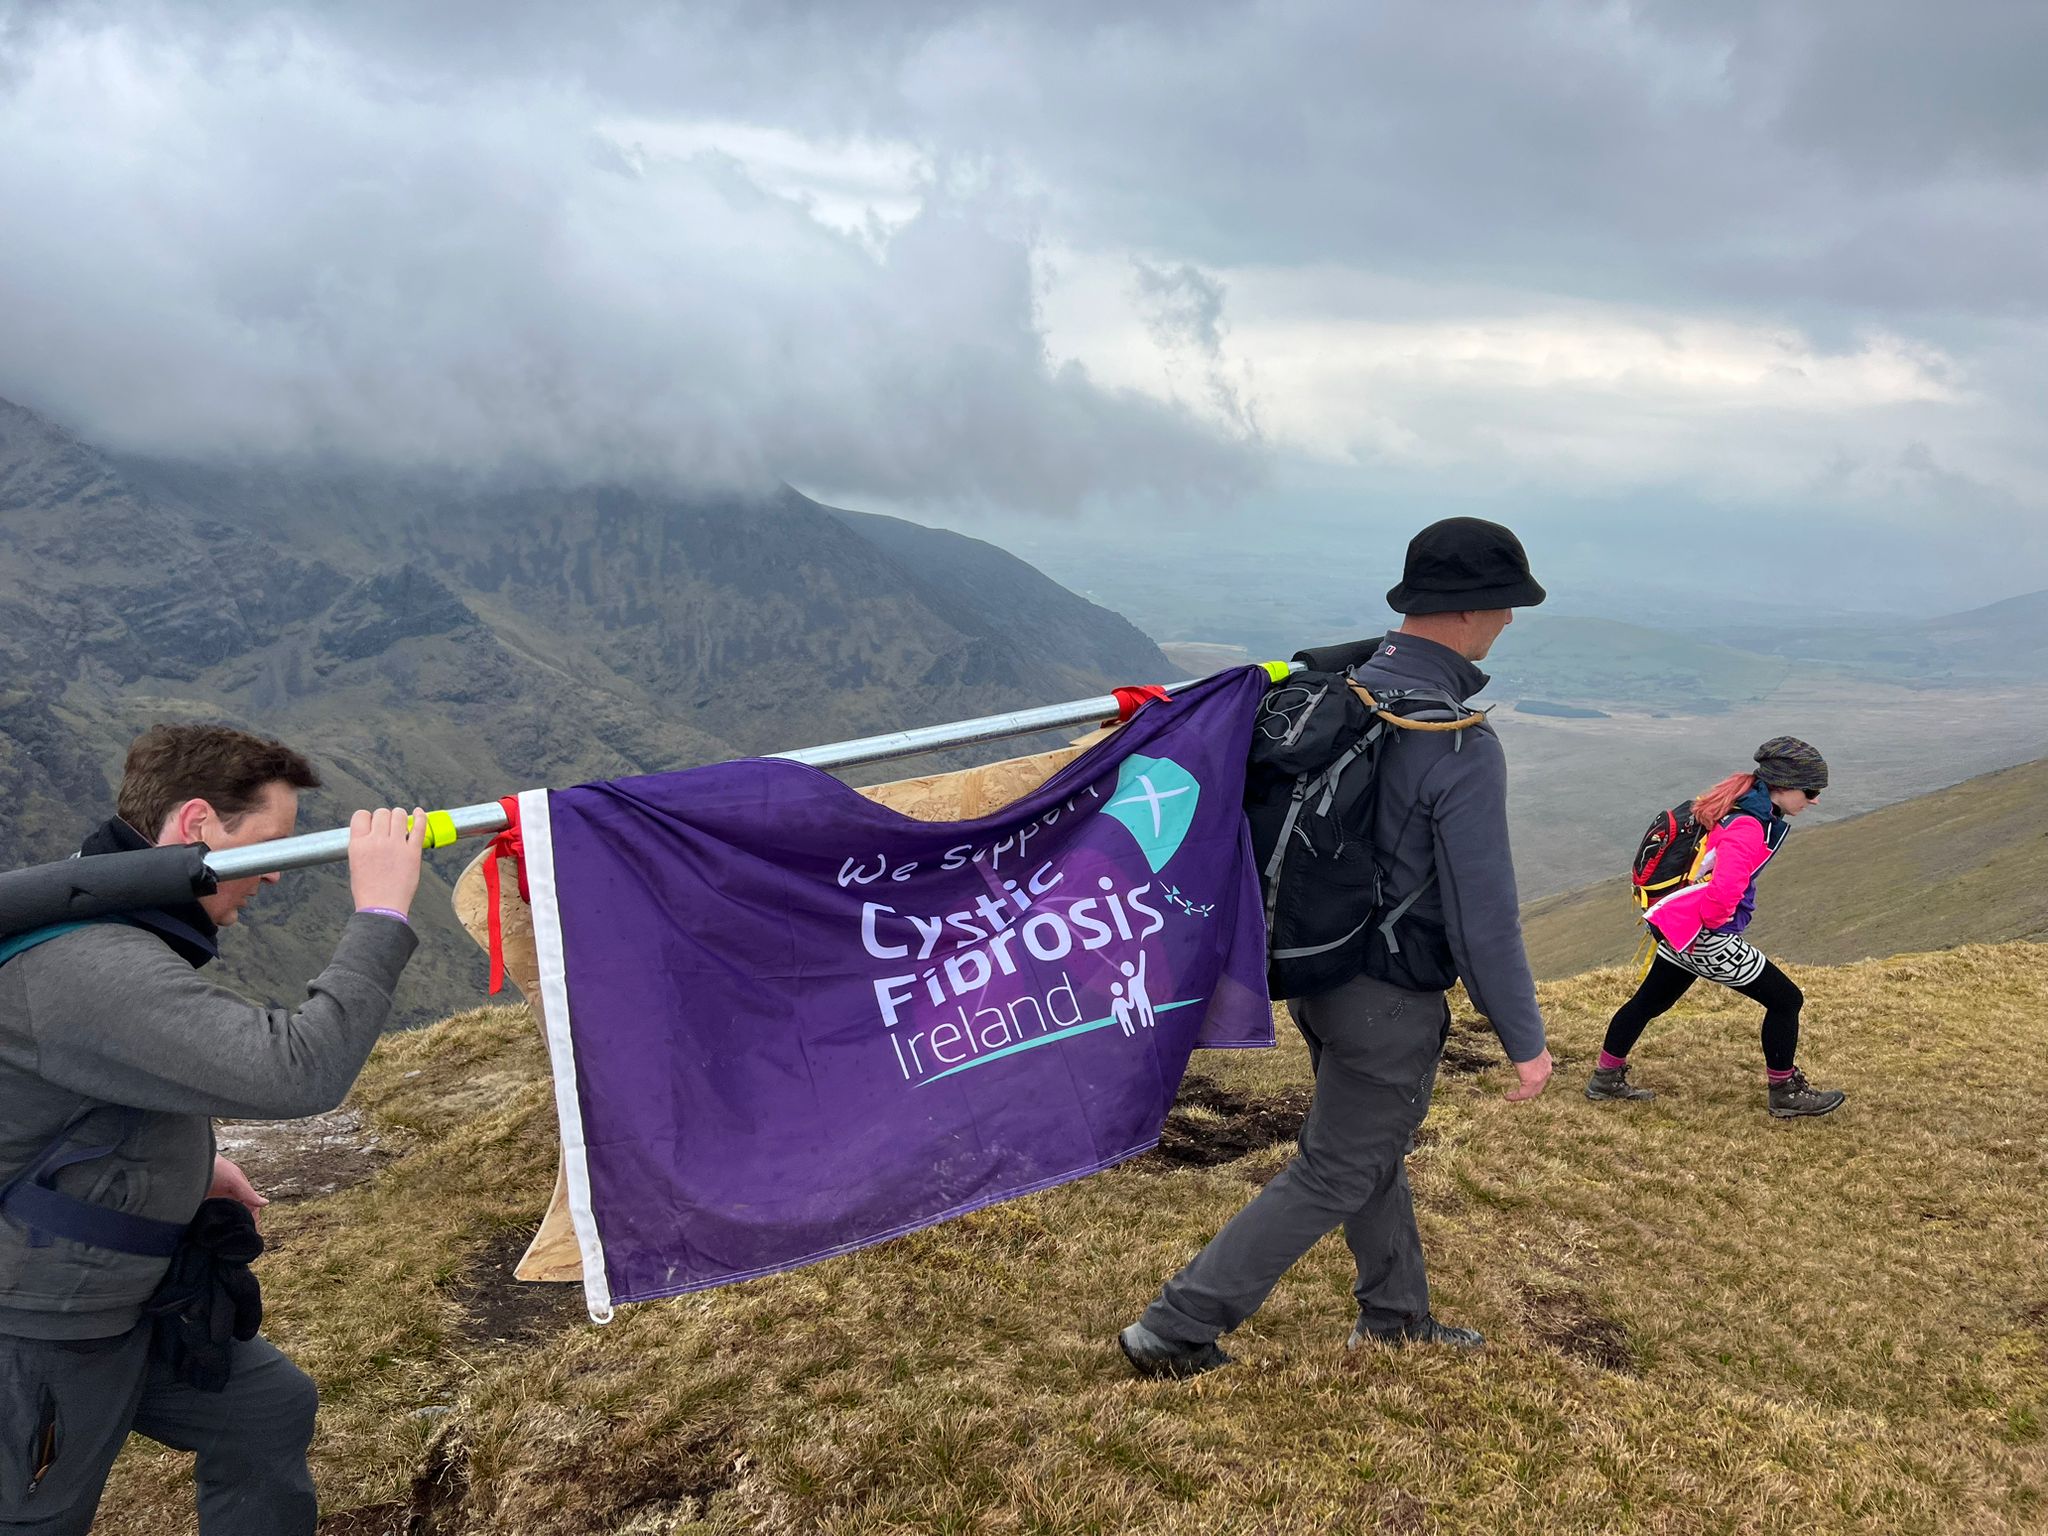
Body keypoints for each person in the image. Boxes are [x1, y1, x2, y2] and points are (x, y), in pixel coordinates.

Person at [1119, 517, 1554, 1379]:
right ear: (1471, 612)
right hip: (1388, 998)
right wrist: (1526, 1041)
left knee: (1366, 1150)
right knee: (1334, 1168)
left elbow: (1338, 659)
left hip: (1319, 970)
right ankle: (1177, 1325)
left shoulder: (1331, 690)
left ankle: (1396, 1316)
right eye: (1505, 607)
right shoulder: (1455, 742)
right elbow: (1484, 917)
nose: (1508, 622)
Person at [0, 724, 428, 1535]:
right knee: (38, 1516)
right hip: (42, 1319)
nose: (272, 870)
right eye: (266, 844)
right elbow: (297, 1070)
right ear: (197, 825)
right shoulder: (91, 966)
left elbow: (103, 1080)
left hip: (125, 1292)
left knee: (264, 1407)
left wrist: (192, 1168)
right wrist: (380, 912)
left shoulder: (111, 921)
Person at [1585, 738, 1845, 1119]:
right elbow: (1724, 891)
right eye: (1810, 790)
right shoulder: (1749, 826)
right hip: (1704, 935)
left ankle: (1605, 1078)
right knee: (1786, 1000)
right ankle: (1784, 1092)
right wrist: (1715, 928)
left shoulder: (1735, 801)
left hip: (1678, 926)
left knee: (1649, 1002)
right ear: (1784, 786)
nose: (1814, 799)